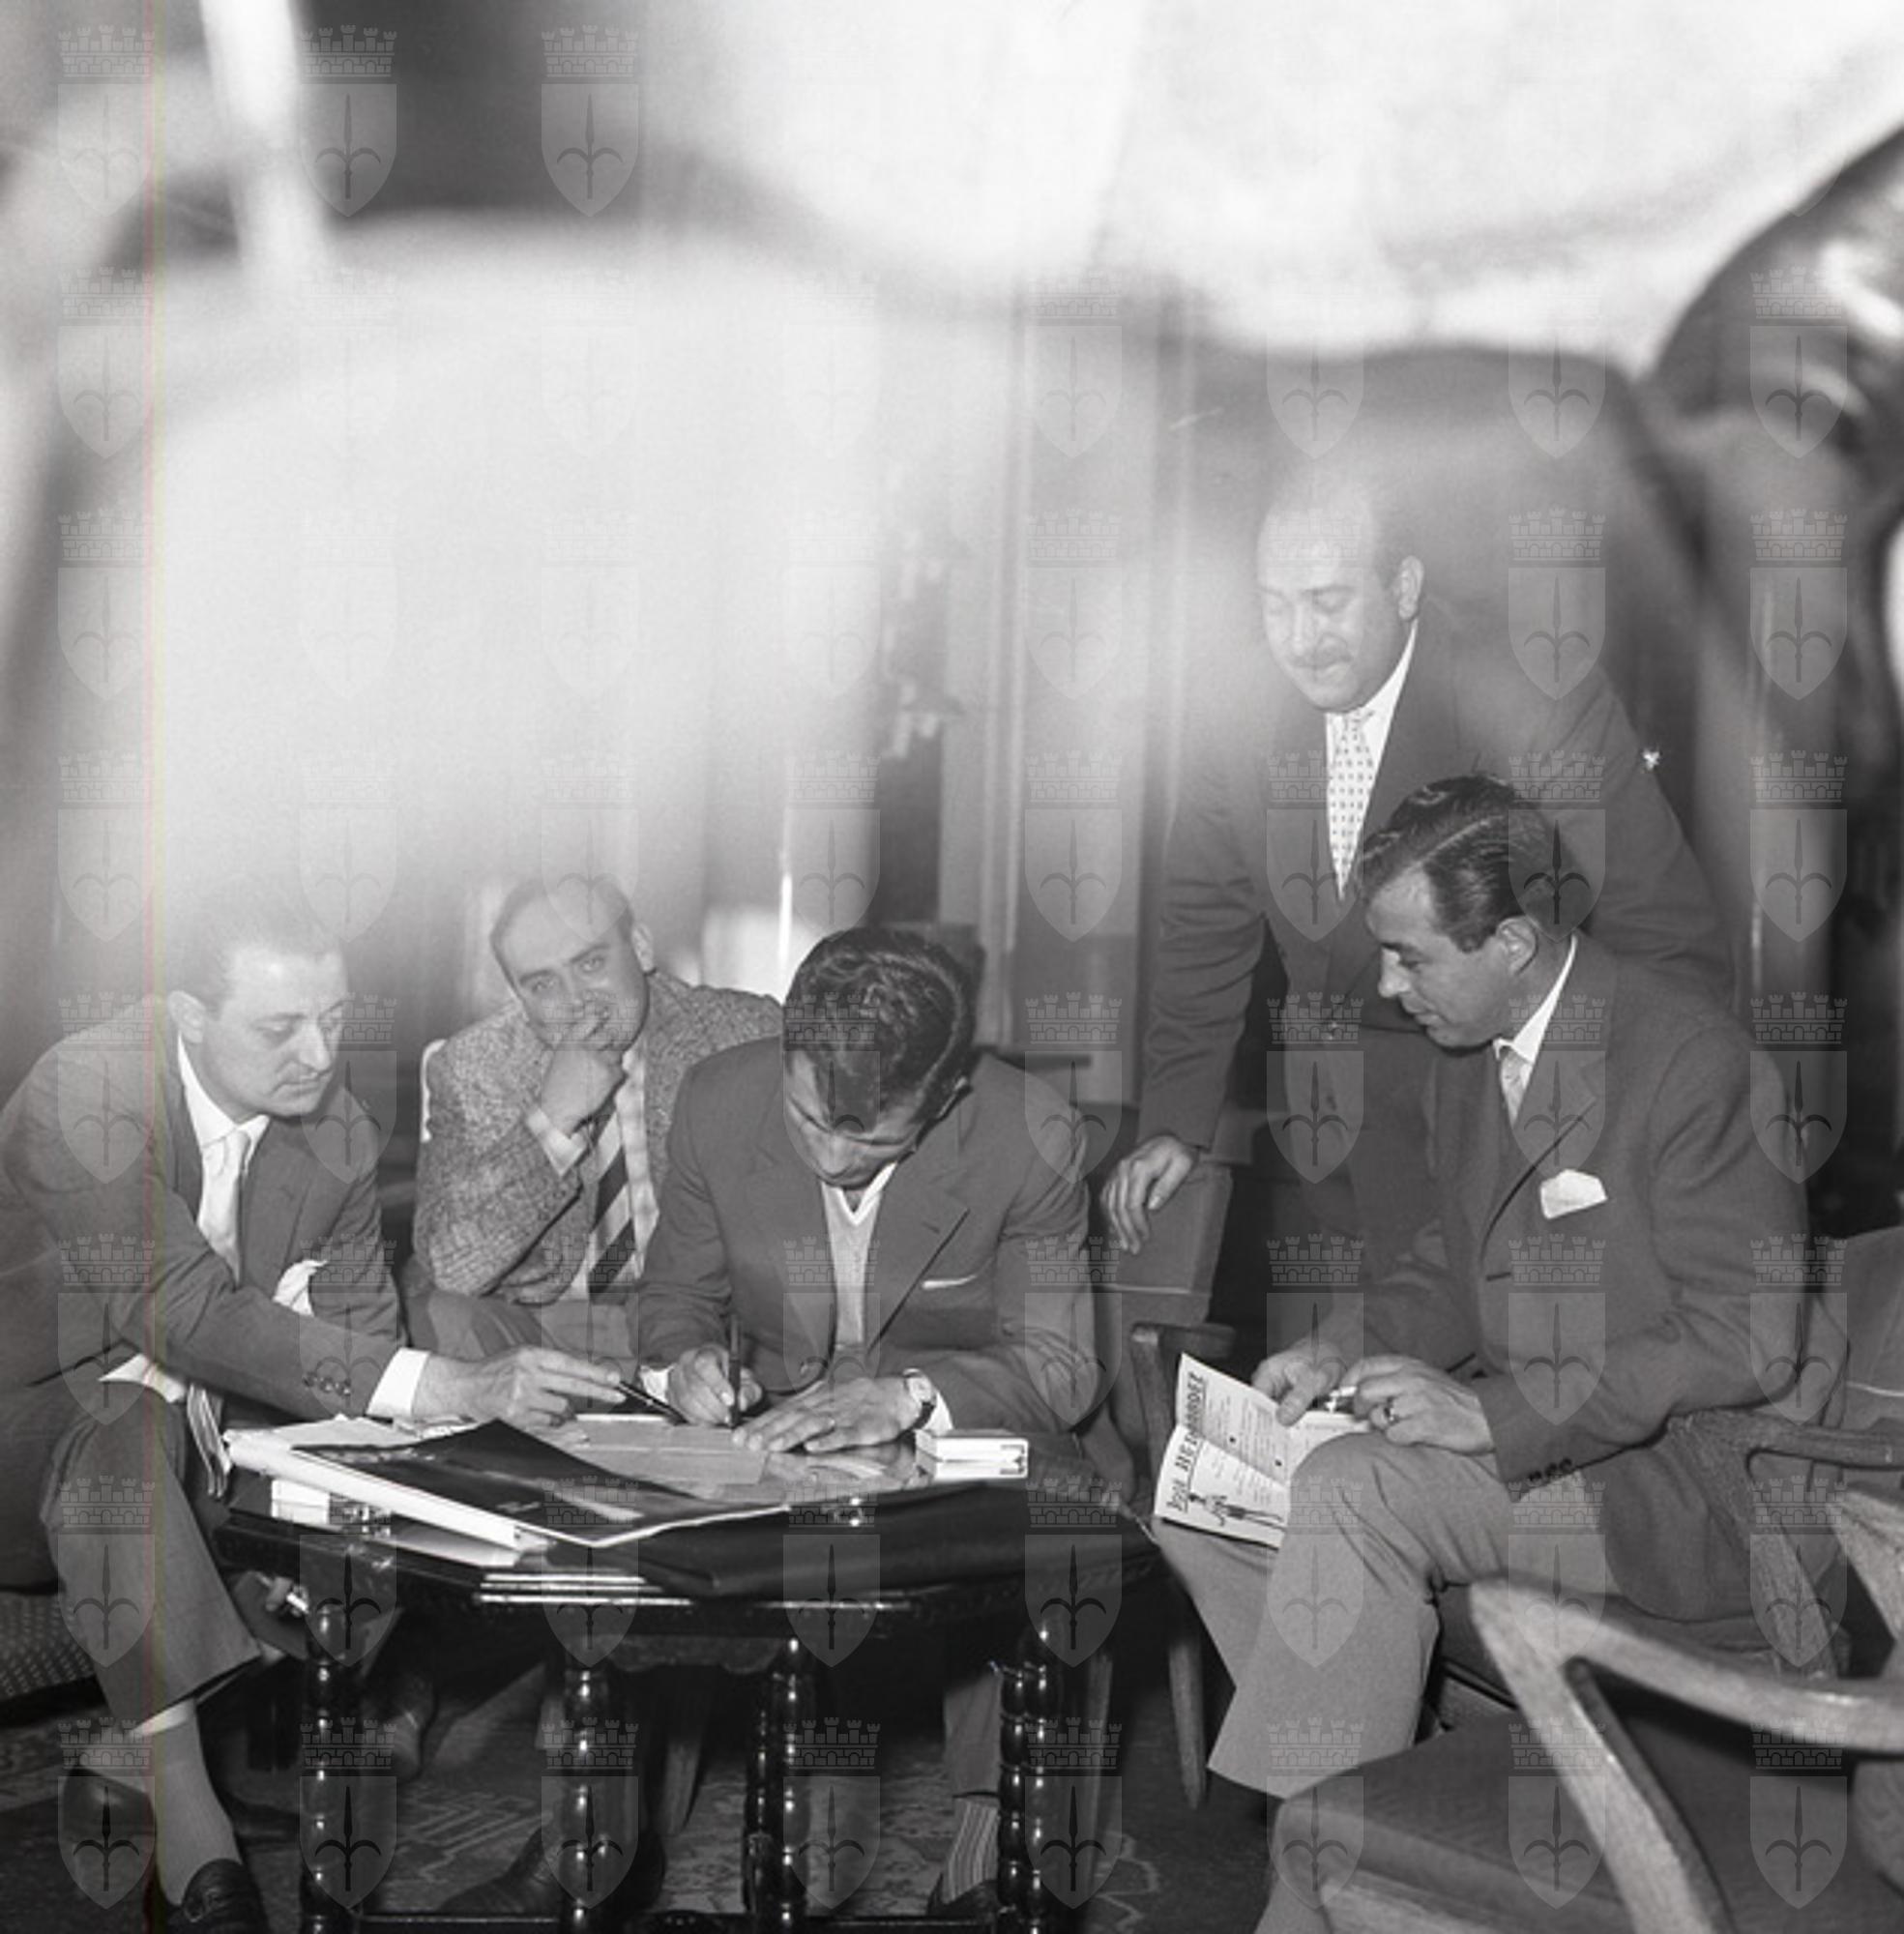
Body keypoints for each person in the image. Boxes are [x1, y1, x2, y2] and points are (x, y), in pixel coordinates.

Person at [1156, 776, 1837, 1932]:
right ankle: (1381, 1809)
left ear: (1513, 942)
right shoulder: (1471, 1049)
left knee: (1355, 1487)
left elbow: (1750, 1336)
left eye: (1409, 956)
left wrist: (1496, 1415)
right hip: (1563, 1454)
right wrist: (1340, 1347)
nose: (1386, 985)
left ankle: (1311, 1891)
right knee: (1207, 1495)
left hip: (1685, 1484)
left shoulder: (1688, 1057)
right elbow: (1451, 1264)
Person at [0, 876, 623, 1933]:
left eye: (333, 1019)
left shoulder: (335, 1130)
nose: (320, 1054)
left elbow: (358, 1344)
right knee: (124, 1426)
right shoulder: (88, 1091)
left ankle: (154, 1744)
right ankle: (198, 1853)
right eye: (279, 1026)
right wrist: (442, 1381)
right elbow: (183, 1311)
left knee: (384, 1510)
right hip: (26, 1431)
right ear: (187, 1014)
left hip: (205, 1441)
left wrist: (374, 1489)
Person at [1104, 463, 1732, 1277]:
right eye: (1274, 605)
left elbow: (1656, 929)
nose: (1299, 639)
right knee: (1339, 1350)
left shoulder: (1529, 697)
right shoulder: (1234, 712)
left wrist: (1651, 1134)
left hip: (1512, 1131)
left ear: (1402, 587)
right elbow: (1202, 932)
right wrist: (1175, 1124)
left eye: (1328, 602)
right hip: (1329, 1137)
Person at [636, 926, 1102, 1916]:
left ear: (944, 1097)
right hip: (772, 1421)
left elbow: (1060, 1369)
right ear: (786, 1053)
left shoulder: (1031, 1133)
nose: (834, 1157)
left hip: (955, 1428)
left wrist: (907, 1396)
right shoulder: (717, 1099)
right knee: (617, 1500)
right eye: (810, 1119)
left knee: (1039, 1507)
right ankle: (610, 1830)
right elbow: (674, 1298)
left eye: (873, 1140)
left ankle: (990, 1834)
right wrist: (685, 1362)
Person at [409, 874, 779, 1356]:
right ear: (518, 997)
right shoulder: (475, 1067)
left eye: (591, 963)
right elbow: (452, 1267)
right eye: (543, 983)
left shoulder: (743, 1035)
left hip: (701, 1328)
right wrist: (552, 1120)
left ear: (641, 948)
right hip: (545, 1330)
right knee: (445, 1314)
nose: (576, 1001)